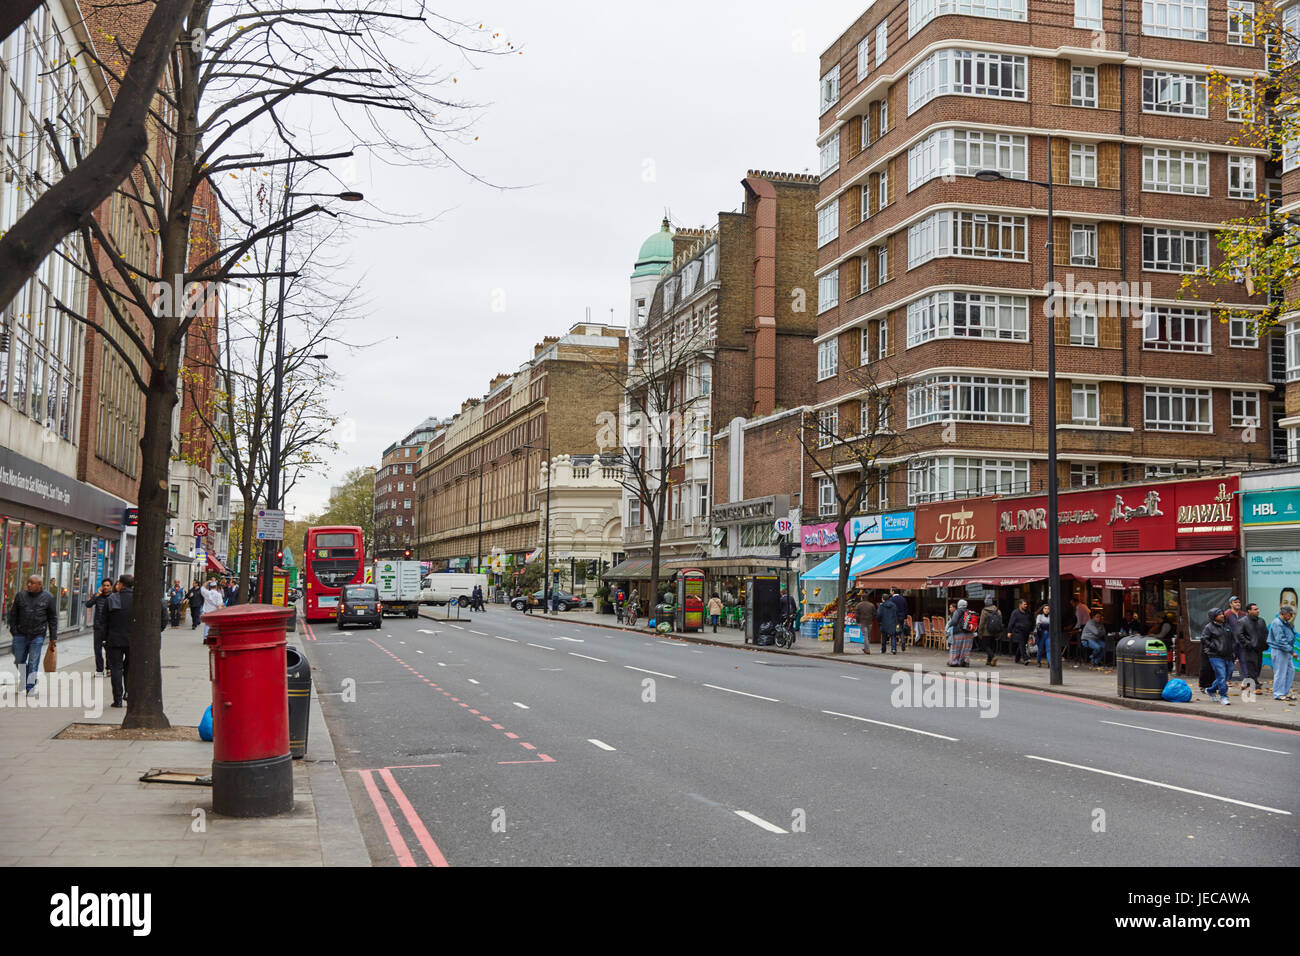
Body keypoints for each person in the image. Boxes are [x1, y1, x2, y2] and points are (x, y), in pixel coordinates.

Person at [7, 574, 58, 696]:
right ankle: (24, 680)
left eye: (32, 583)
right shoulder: (21, 596)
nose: (29, 584)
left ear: (39, 585)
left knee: (33, 661)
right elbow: (13, 615)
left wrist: (53, 638)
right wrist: (14, 631)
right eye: (28, 582)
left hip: (37, 635)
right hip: (20, 634)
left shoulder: (48, 597)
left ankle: (30, 687)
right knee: (19, 660)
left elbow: (52, 618)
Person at [105, 574, 134, 708]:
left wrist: (104, 639)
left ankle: (117, 699)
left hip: (114, 639)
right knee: (129, 667)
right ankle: (128, 692)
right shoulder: (137, 599)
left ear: (121, 584)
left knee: (116, 668)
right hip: (132, 640)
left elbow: (103, 621)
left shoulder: (112, 599)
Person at [1201, 607, 1234, 705]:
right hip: (1216, 656)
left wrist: (1233, 651)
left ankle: (1210, 690)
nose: (1222, 616)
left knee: (1227, 676)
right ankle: (1224, 696)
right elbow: (1204, 639)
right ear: (1214, 616)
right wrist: (1214, 647)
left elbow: (1232, 640)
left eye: (1222, 614)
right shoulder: (1209, 627)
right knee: (1222, 676)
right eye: (1219, 614)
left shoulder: (1227, 626)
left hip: (1228, 655)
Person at [1235, 603, 1268, 690]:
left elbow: (1265, 633)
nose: (1258, 611)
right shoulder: (1242, 621)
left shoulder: (1261, 621)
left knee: (1258, 667)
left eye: (1257, 609)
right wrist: (1248, 644)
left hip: (1260, 648)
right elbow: (1239, 634)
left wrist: (1266, 643)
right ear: (1249, 611)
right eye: (1255, 609)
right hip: (1249, 649)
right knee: (1252, 667)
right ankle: (1255, 687)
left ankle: (1248, 683)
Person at [1267, 604, 1297, 701]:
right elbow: (1280, 640)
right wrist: (1292, 651)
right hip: (1279, 650)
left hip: (1286, 650)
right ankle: (1278, 694)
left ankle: (1285, 692)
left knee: (1290, 671)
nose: (1291, 616)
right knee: (1280, 672)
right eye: (1289, 614)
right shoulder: (1277, 623)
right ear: (1284, 613)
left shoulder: (1285, 623)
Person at [84, 579, 114, 676]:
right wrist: (96, 595)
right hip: (98, 627)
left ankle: (109, 668)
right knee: (97, 650)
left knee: (109, 650)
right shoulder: (98, 596)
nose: (105, 587)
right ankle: (99, 670)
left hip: (109, 628)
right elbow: (88, 604)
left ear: (111, 587)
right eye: (104, 585)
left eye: (108, 585)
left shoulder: (114, 597)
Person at [948, 598, 976, 667]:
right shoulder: (969, 611)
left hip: (959, 633)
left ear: (959, 605)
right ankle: (965, 662)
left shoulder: (958, 611)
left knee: (955, 648)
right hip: (969, 633)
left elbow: (954, 621)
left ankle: (954, 662)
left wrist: (949, 625)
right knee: (966, 649)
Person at [1223, 595, 1244, 683]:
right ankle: (1227, 680)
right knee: (1229, 662)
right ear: (1231, 604)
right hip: (1230, 643)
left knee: (1243, 661)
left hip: (1242, 642)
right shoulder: (1226, 614)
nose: (1238, 604)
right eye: (1235, 602)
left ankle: (1246, 680)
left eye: (1239, 602)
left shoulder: (1244, 614)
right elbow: (1223, 627)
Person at [978, 600, 1003, 666]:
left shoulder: (984, 611)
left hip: (986, 632)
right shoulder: (998, 610)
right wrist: (999, 633)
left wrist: (979, 632)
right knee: (992, 646)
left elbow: (981, 622)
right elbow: (1000, 622)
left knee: (985, 646)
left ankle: (993, 657)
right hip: (995, 631)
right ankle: (989, 661)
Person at [1008, 598, 1031, 665]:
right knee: (1022, 644)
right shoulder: (1015, 613)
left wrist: (1031, 630)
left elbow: (1030, 621)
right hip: (1018, 631)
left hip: (1026, 631)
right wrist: (1009, 631)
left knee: (1021, 645)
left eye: (1026, 604)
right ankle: (1025, 658)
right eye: (1024, 604)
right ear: (1020, 605)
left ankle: (1017, 658)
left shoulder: (1027, 612)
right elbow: (1011, 622)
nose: (1026, 605)